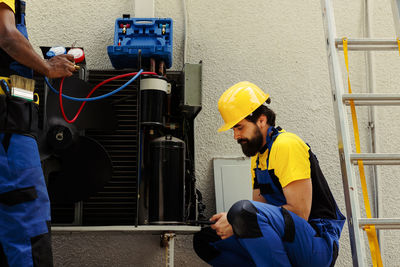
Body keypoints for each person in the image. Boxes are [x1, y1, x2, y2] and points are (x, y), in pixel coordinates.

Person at [193, 81, 346, 266]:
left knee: (241, 212)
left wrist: (236, 220)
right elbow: (258, 216)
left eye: (239, 127)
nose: (235, 136)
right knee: (207, 240)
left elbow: (300, 213)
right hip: (285, 237)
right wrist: (236, 222)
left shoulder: (286, 145)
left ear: (262, 120)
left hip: (317, 243)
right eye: (233, 129)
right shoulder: (259, 157)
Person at [0, 1, 75, 266]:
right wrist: (46, 66)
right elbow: (8, 37)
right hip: (9, 126)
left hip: (11, 123)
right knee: (27, 217)